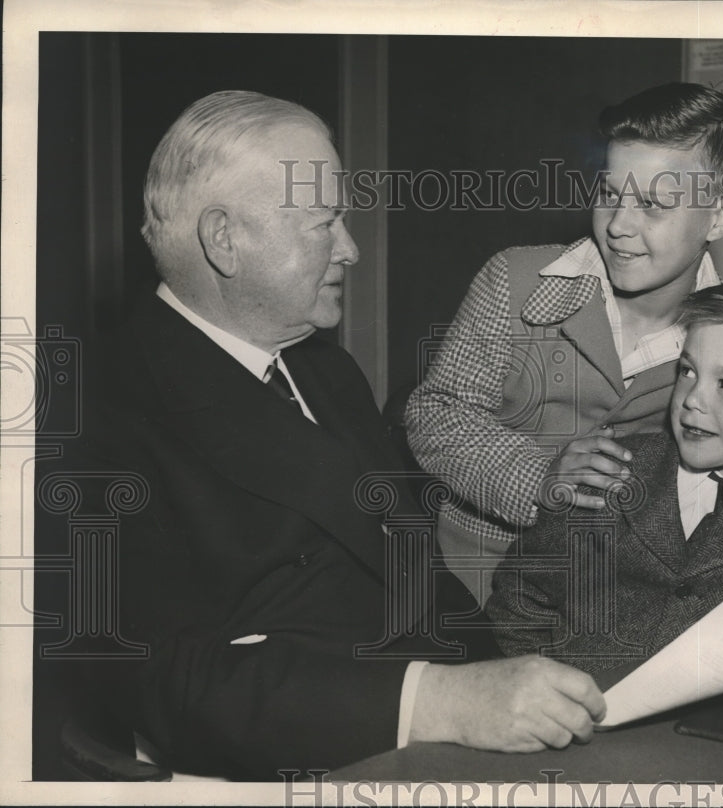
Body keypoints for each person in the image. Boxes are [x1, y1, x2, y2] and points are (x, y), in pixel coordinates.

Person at [71, 90, 606, 780]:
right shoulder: (96, 409)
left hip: (430, 751)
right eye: (324, 223)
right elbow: (172, 684)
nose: (350, 249)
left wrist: (511, 669)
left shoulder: (327, 370)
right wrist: (443, 701)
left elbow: (416, 575)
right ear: (225, 239)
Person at [405, 83, 723, 605]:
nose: (619, 225)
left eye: (653, 205)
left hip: (615, 599)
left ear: (722, 215)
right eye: (609, 194)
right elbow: (437, 413)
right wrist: (538, 479)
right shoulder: (517, 279)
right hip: (467, 581)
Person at [486, 276, 723, 673]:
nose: (693, 399)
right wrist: (545, 683)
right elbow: (520, 597)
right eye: (687, 372)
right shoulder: (609, 474)